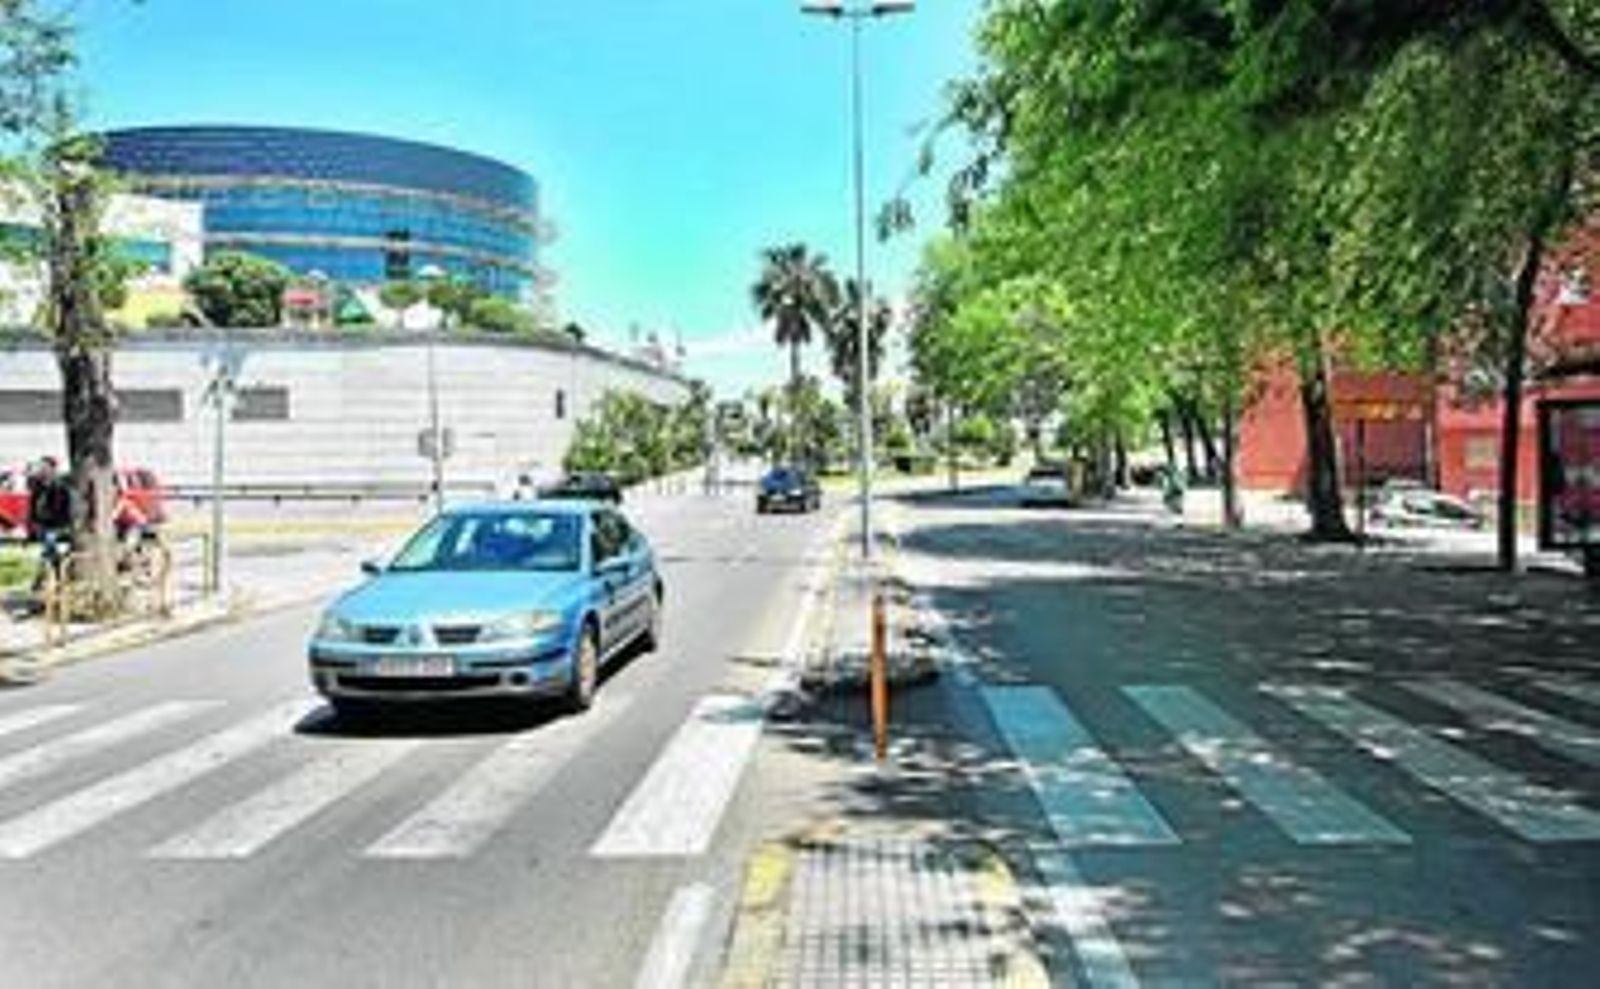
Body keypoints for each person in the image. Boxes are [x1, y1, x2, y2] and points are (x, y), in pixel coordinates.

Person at [27, 457, 74, 592]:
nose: (41, 470)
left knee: (49, 544)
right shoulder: (38, 487)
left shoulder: (60, 487)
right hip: (43, 527)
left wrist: (48, 524)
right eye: (41, 467)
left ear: (53, 469)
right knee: (48, 548)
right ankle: (55, 575)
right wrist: (32, 526)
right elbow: (32, 509)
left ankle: (49, 577)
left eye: (45, 467)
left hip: (57, 527)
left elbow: (62, 511)